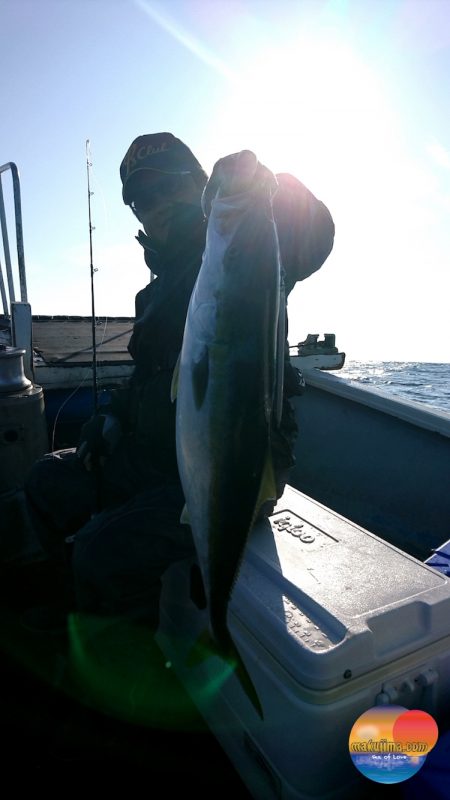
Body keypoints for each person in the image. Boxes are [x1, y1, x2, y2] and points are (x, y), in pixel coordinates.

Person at [24, 132, 335, 632]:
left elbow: (311, 237)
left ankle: (136, 680)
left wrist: (266, 190)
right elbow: (149, 380)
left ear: (199, 186)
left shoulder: (242, 248)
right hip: (158, 456)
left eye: (169, 188)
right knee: (45, 482)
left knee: (102, 552)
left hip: (235, 465)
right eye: (143, 200)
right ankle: (84, 616)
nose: (157, 207)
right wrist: (111, 417)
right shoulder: (152, 297)